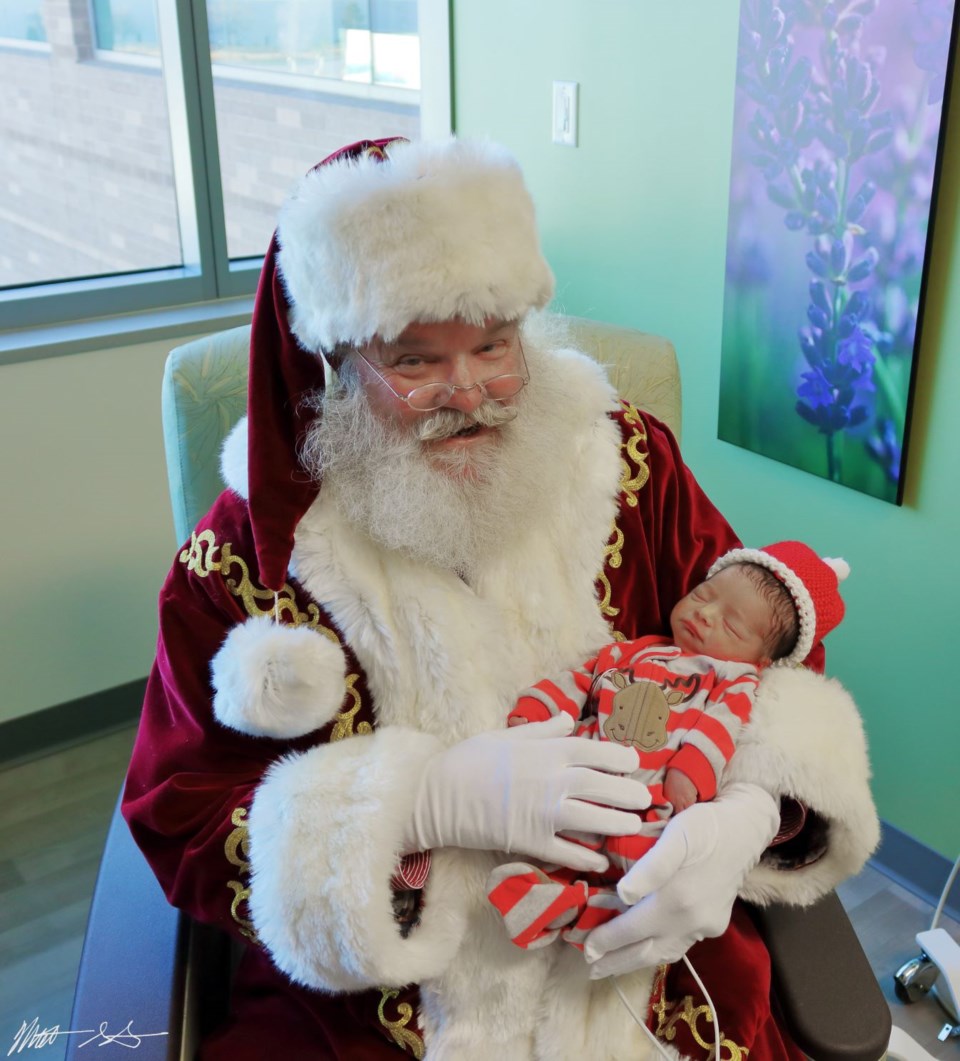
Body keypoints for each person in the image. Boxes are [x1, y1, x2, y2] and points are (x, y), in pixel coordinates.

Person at [122, 136, 880, 1060]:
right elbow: (181, 809)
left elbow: (771, 640)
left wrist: (751, 812)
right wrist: (418, 803)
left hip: (648, 962)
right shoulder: (242, 560)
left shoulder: (628, 465)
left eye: (494, 343)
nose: (470, 392)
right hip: (390, 1012)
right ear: (336, 362)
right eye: (414, 361)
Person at [488, 541, 850, 953]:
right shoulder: (637, 650)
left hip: (652, 801)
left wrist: (691, 769)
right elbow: (582, 679)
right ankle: (550, 893)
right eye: (703, 595)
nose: (705, 614)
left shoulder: (734, 679)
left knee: (639, 877)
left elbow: (721, 724)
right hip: (582, 773)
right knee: (555, 833)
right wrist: (538, 708)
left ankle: (578, 909)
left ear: (761, 660)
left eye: (731, 626)